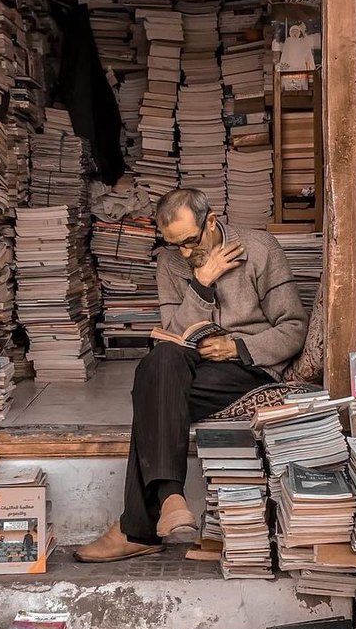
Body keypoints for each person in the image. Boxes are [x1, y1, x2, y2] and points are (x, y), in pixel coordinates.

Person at [76, 187, 308, 562]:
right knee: (160, 363)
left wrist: (237, 348)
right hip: (191, 363)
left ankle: (139, 525)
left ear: (211, 222)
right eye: (175, 244)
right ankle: (170, 500)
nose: (184, 252)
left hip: (247, 366)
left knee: (152, 393)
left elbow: (294, 327)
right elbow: (172, 330)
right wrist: (201, 281)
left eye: (189, 241)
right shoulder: (171, 262)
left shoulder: (261, 249)